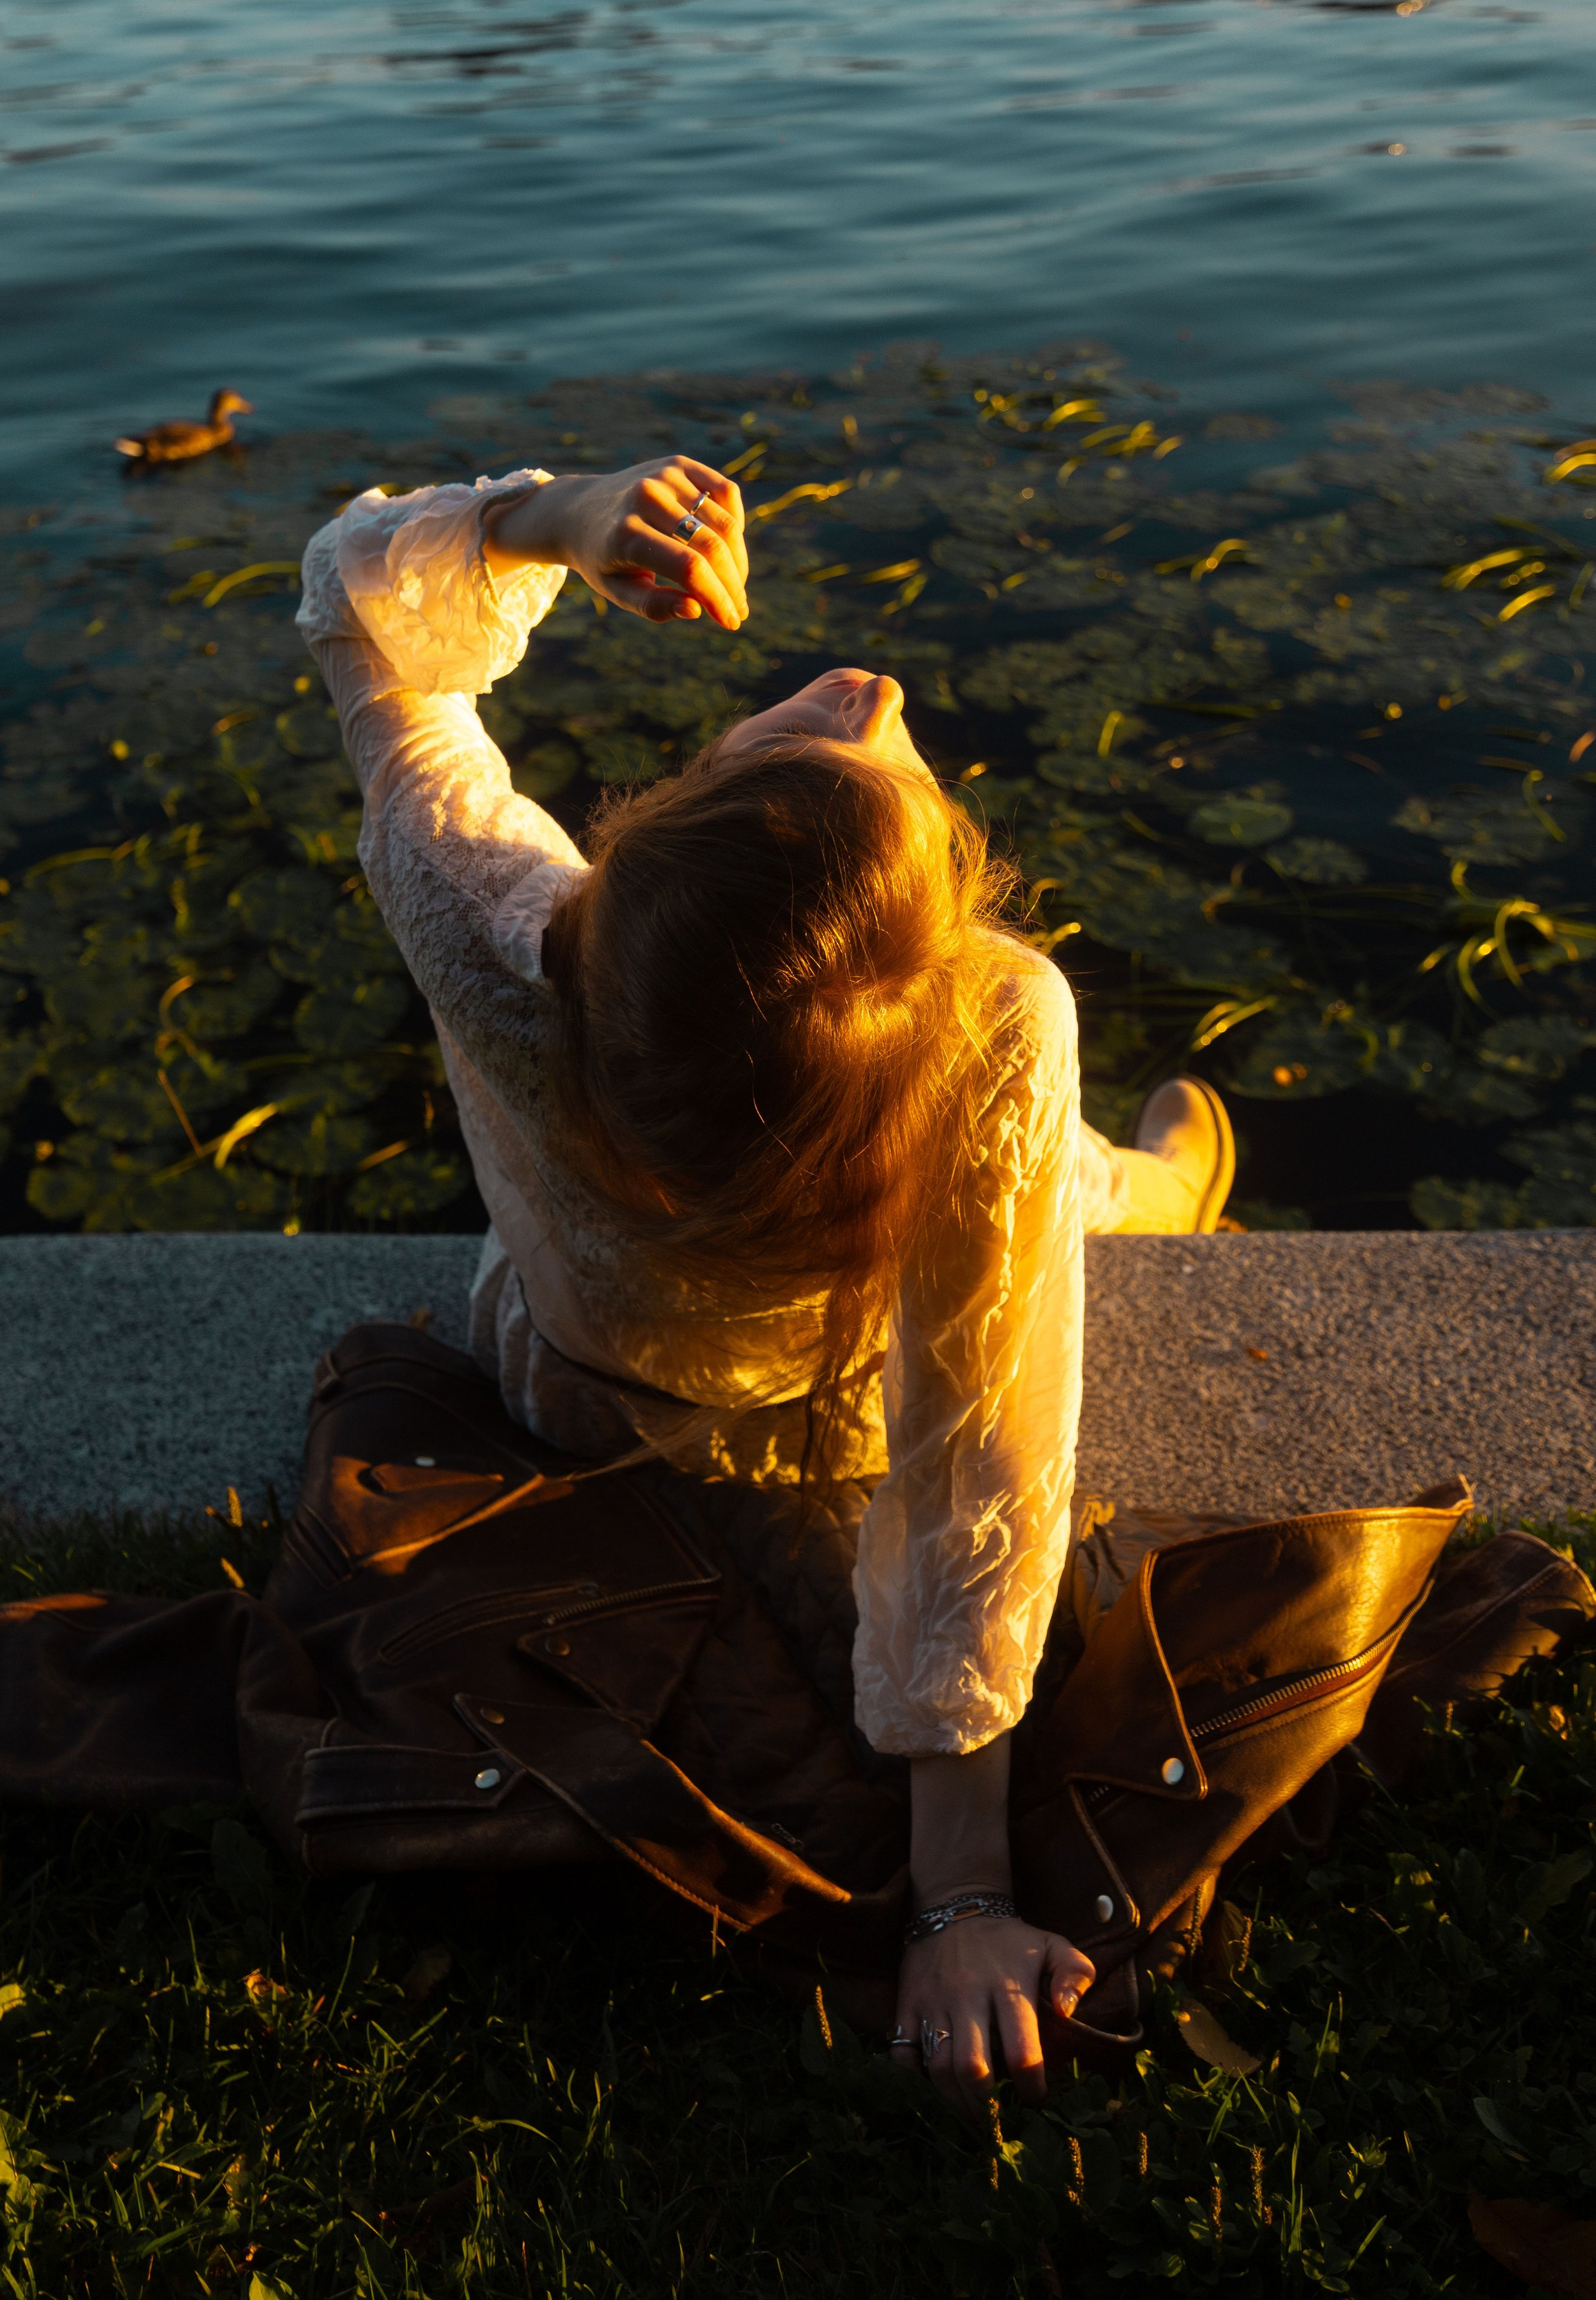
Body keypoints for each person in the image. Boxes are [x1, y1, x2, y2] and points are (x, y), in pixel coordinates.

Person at [297, 450, 1235, 2132]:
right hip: (815, 1417)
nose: (866, 690)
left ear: (644, 842)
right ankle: (1162, 1198)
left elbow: (358, 608)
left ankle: (1138, 1188)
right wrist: (955, 1899)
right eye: (871, 764)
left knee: (1022, 1157)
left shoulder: (484, 912)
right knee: (1052, 1186)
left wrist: (556, 520)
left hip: (562, 1366)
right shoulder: (986, 1034)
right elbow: (973, 1463)